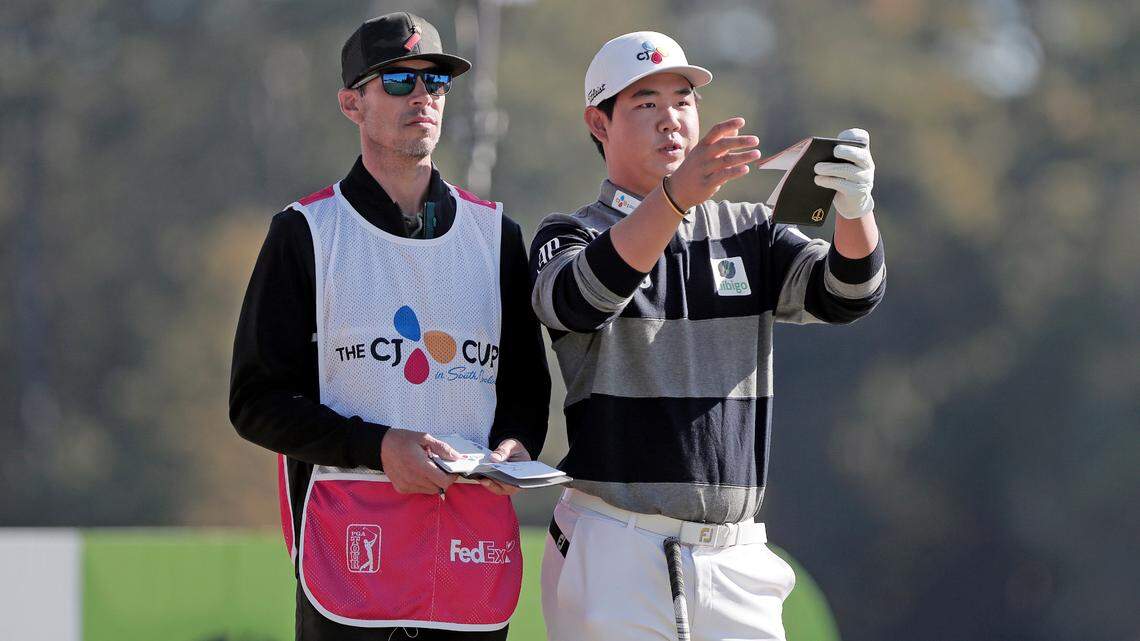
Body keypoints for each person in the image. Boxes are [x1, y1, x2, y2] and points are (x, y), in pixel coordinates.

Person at [532, 31, 885, 641]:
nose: (670, 118)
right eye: (646, 103)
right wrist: (673, 200)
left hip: (737, 554)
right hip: (614, 543)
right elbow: (580, 299)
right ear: (599, 122)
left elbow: (848, 294)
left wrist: (856, 210)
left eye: (683, 101)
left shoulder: (750, 229)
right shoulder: (569, 234)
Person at [229, 12, 549, 640]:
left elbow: (525, 389)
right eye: (399, 80)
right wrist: (377, 447)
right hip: (351, 552)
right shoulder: (305, 232)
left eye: (436, 82)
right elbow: (255, 403)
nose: (422, 96)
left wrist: (515, 447)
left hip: (469, 549)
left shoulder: (496, 235)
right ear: (352, 103)